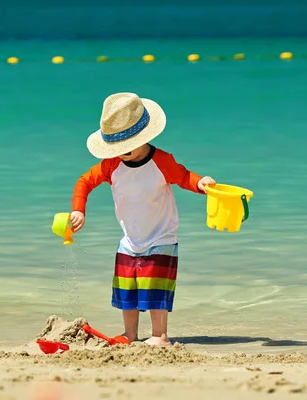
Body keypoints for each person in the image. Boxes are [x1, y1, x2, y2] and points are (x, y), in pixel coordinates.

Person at [70, 92, 216, 347]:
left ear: (143, 137)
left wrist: (200, 183)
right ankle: (130, 334)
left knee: (155, 292)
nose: (122, 152)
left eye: (127, 146)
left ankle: (160, 335)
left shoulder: (161, 161)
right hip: (129, 240)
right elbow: (84, 182)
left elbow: (184, 177)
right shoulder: (111, 164)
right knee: (128, 293)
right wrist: (79, 209)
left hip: (161, 237)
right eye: (117, 148)